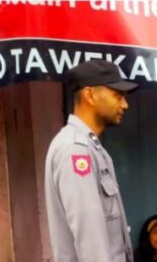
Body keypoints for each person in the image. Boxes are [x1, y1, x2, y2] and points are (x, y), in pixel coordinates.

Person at [44, 60, 138, 262]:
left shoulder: (91, 147)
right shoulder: (75, 150)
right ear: (90, 95)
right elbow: (90, 238)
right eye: (118, 96)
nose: (125, 104)